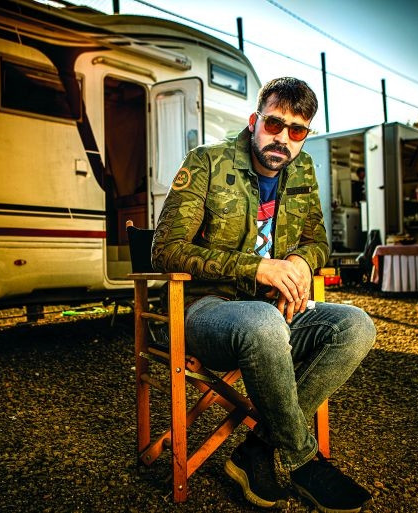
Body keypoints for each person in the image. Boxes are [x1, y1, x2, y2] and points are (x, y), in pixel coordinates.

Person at [152, 77, 376, 512]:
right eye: (274, 123)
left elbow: (317, 241)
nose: (283, 138)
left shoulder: (302, 169)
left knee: (356, 325)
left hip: (271, 312)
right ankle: (304, 462)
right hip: (205, 309)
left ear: (305, 134)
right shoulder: (207, 162)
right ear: (254, 121)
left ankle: (256, 448)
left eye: (297, 130)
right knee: (264, 321)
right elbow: (166, 250)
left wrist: (301, 263)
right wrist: (256, 267)